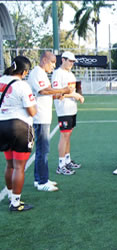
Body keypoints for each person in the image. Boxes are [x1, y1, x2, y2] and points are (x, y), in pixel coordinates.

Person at [28, 51, 72, 192]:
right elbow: (43, 91)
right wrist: (62, 90)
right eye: (52, 62)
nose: (53, 66)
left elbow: (46, 92)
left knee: (42, 150)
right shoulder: (37, 72)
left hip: (43, 117)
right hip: (39, 118)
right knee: (43, 150)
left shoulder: (41, 73)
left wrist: (57, 95)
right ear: (45, 60)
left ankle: (39, 179)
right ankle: (42, 181)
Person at [0, 56, 37, 211]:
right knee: (19, 166)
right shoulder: (22, 85)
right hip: (19, 126)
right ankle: (16, 202)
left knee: (9, 164)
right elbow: (32, 111)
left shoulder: (1, 80)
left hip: (2, 125)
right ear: (25, 71)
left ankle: (10, 194)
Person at [52, 51, 84, 175]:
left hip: (71, 108)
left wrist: (77, 93)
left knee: (68, 136)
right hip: (63, 109)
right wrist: (75, 95)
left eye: (73, 61)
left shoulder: (70, 74)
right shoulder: (58, 73)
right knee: (64, 136)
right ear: (63, 60)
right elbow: (56, 92)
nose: (72, 63)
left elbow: (74, 88)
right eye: (70, 61)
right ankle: (61, 165)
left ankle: (67, 160)